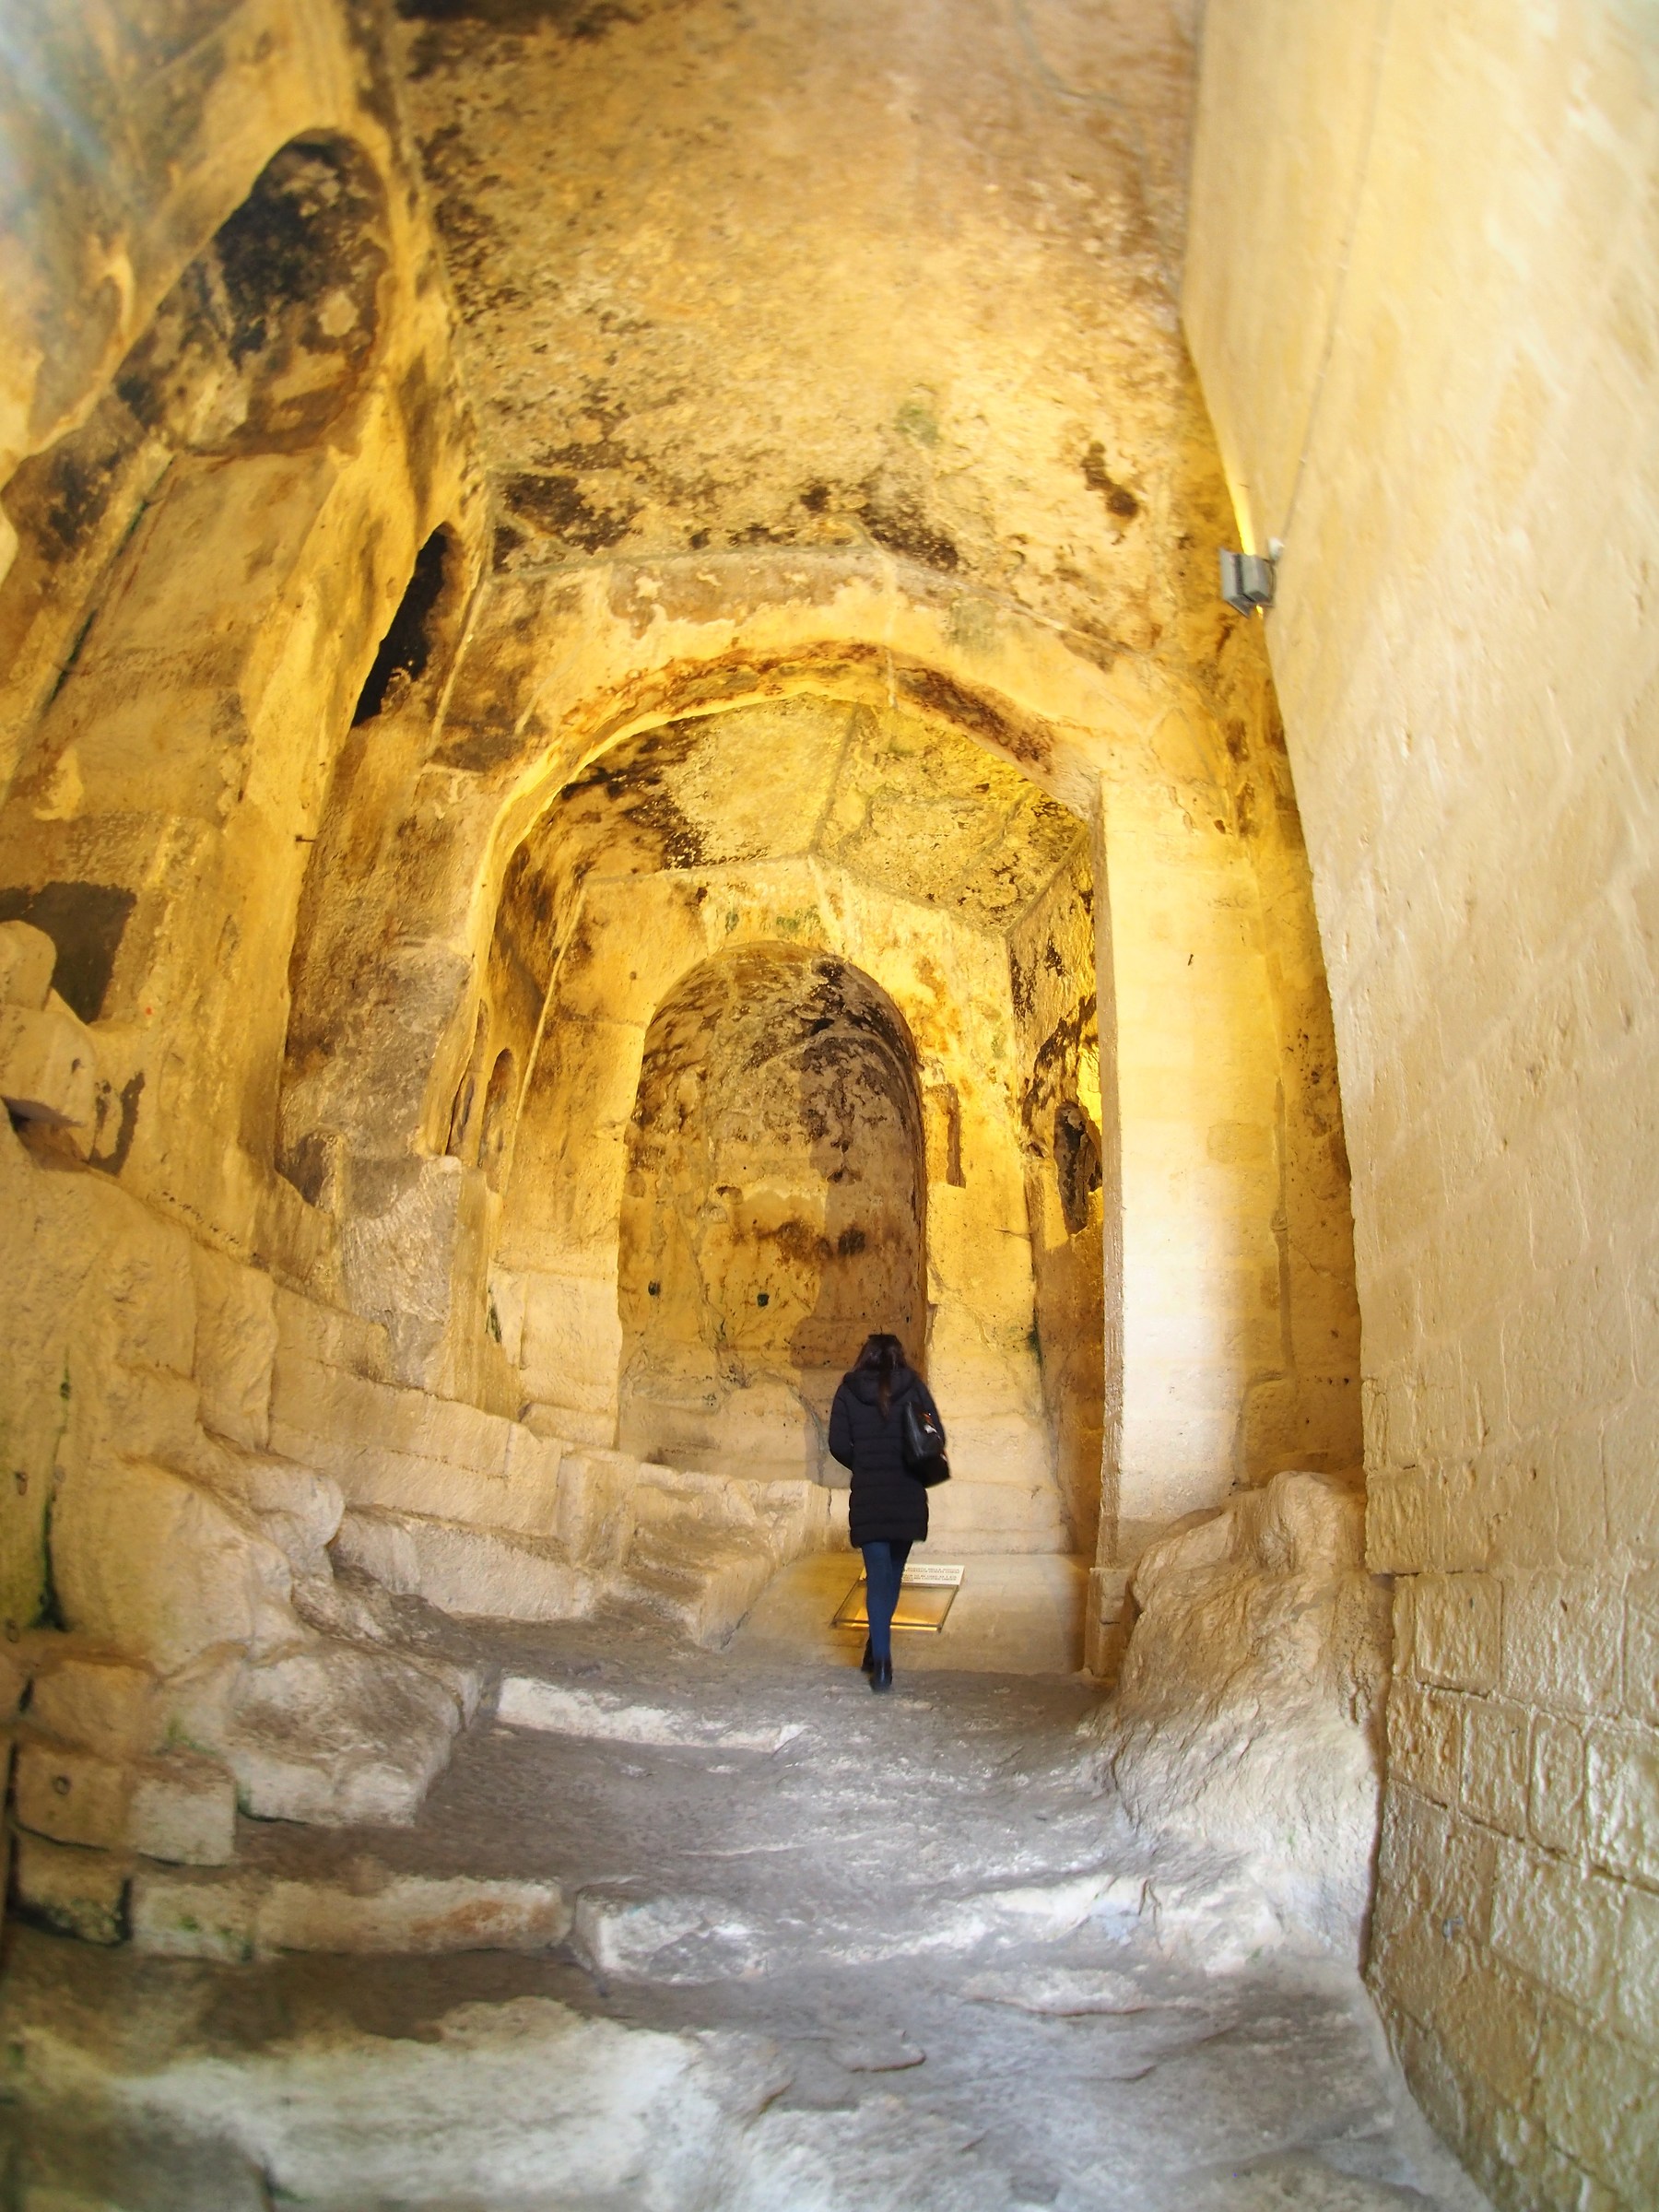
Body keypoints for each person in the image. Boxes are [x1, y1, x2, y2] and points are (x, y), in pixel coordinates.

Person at [827, 1333, 940, 1693]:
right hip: (906, 1493)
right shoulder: (914, 1387)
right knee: (892, 1575)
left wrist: (863, 1464)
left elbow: (837, 1444)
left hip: (870, 1495)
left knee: (878, 1576)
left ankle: (881, 1660)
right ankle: (878, 1653)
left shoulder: (848, 1391)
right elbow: (935, 1435)